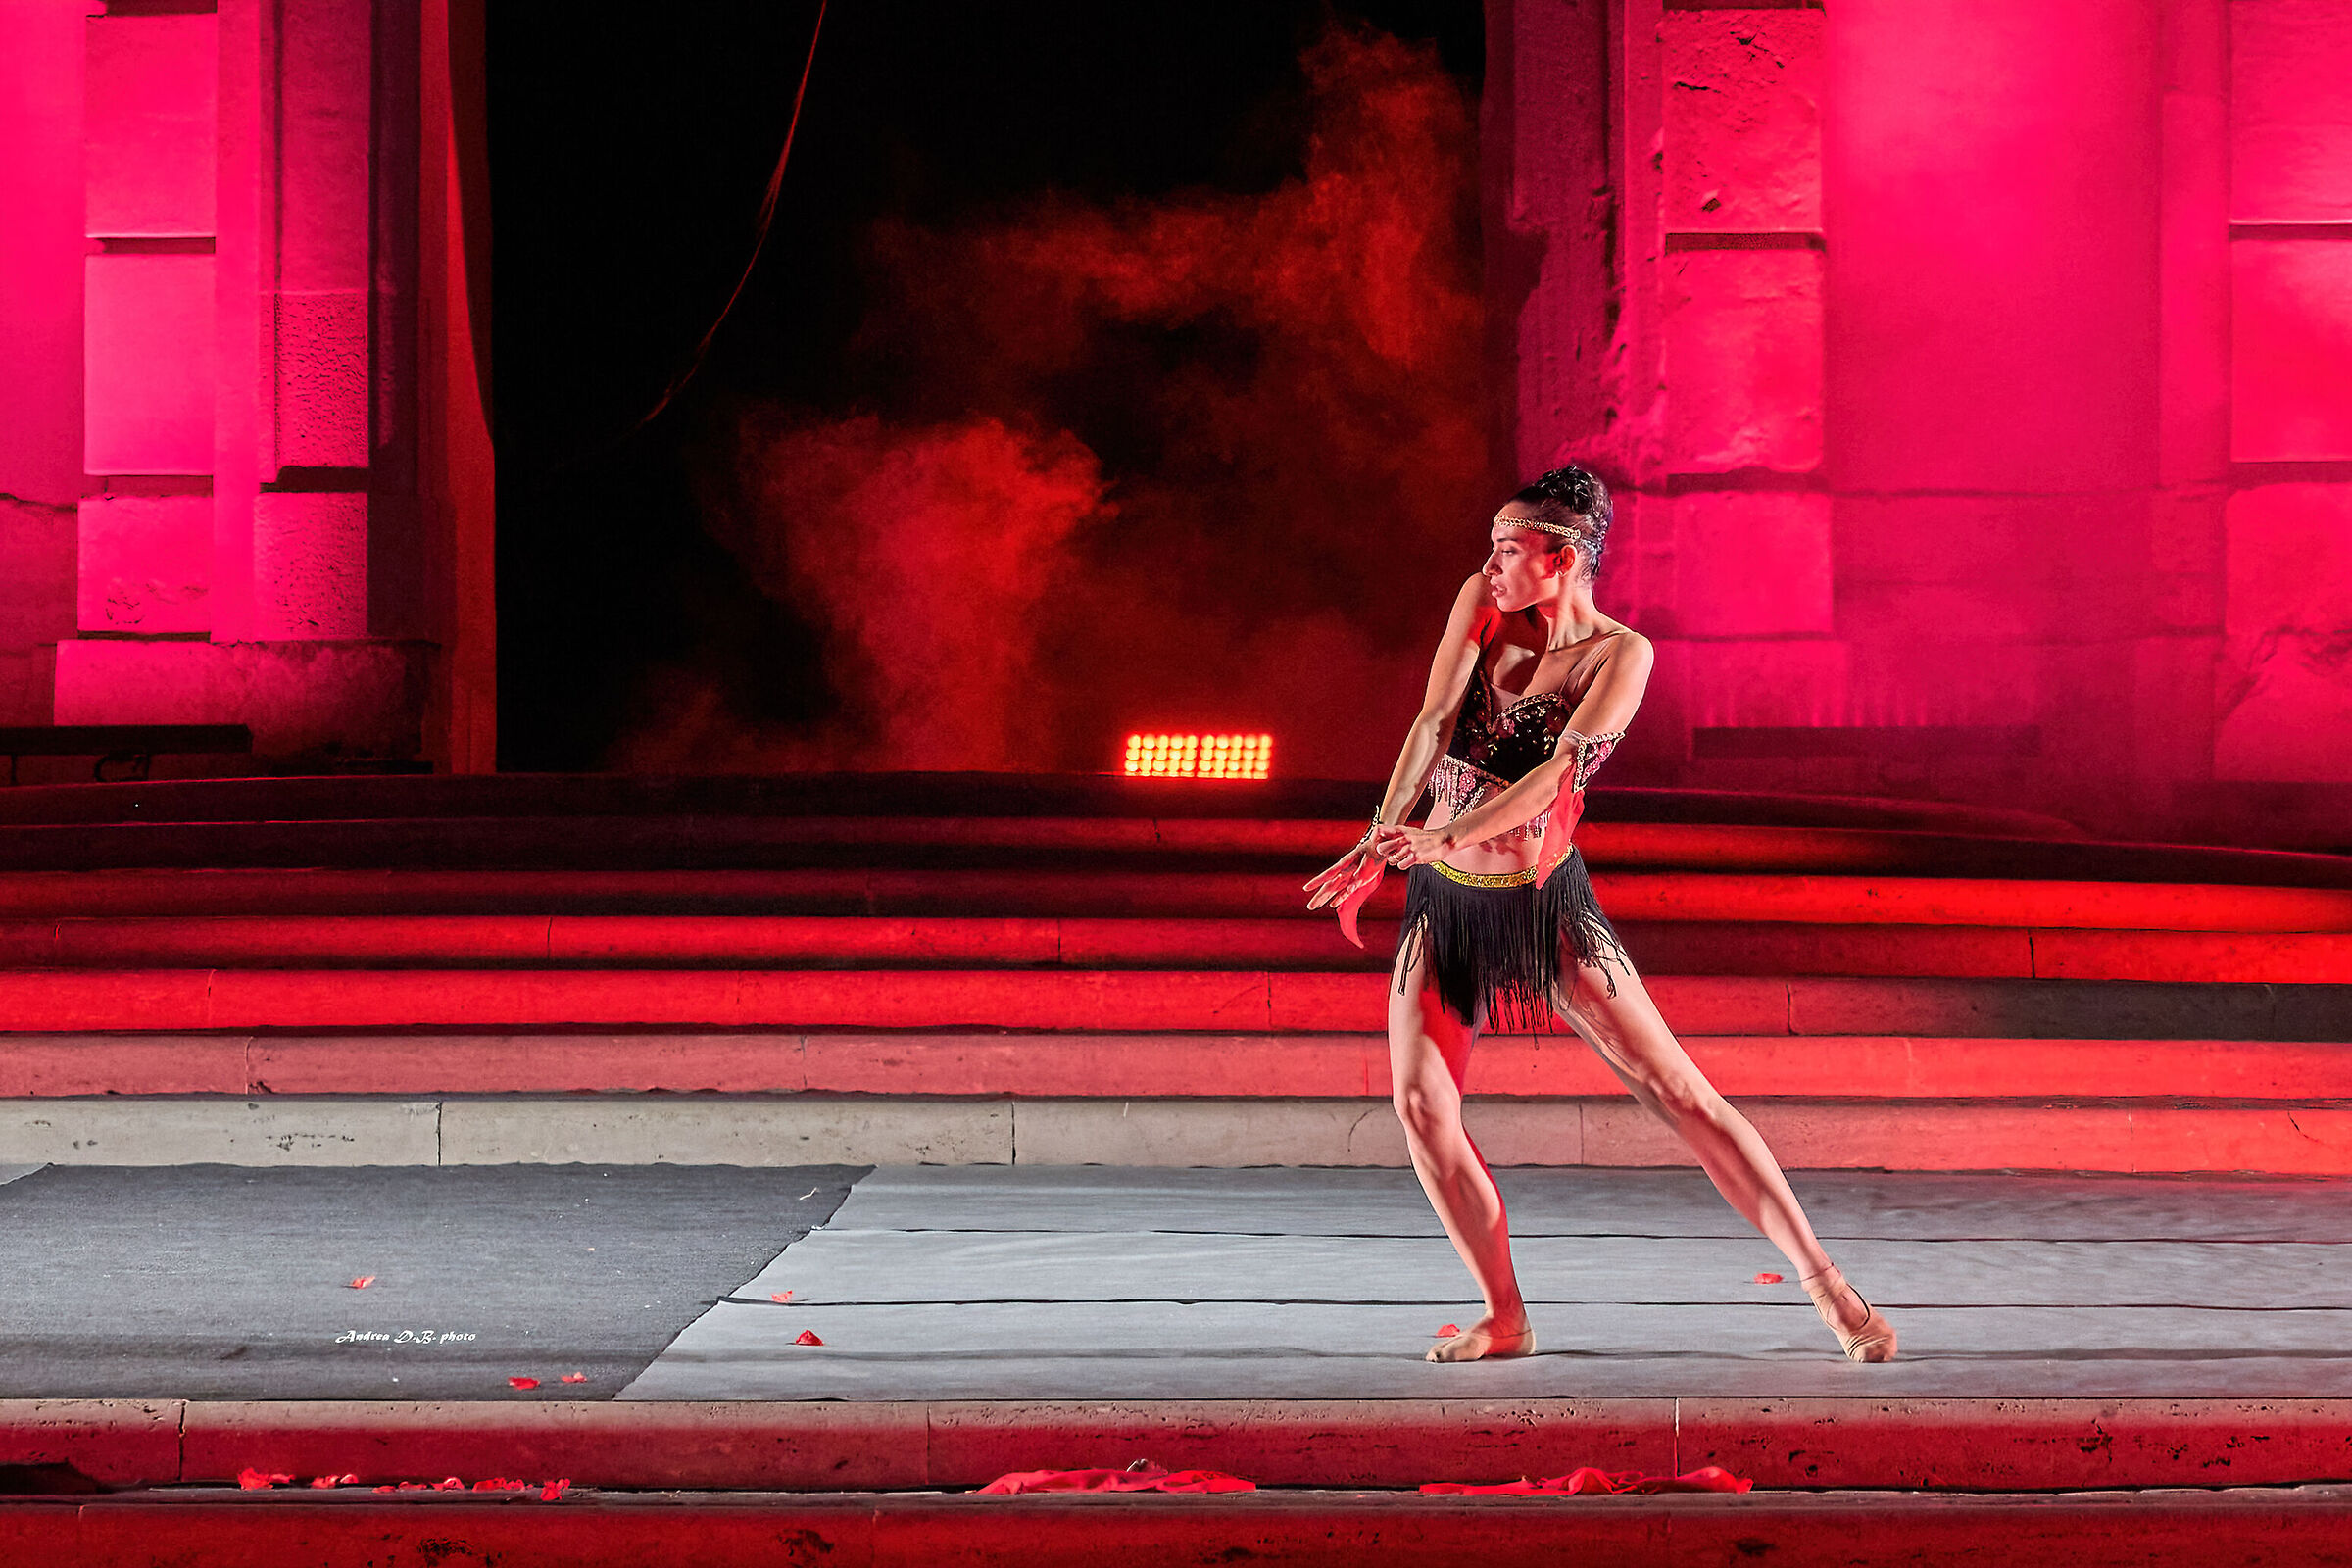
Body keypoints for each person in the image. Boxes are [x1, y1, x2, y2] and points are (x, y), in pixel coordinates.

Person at [1303, 466, 1895, 1365]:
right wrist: (1386, 832)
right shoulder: (1482, 604)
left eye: (1510, 551)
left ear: (1564, 559)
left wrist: (1445, 831)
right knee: (1420, 1105)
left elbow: (1552, 779)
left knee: (1678, 1092)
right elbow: (1431, 722)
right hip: (1446, 906)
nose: (1490, 565)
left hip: (1545, 907)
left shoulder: (1624, 655)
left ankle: (1826, 1283)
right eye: (1493, 549)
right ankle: (1505, 1316)